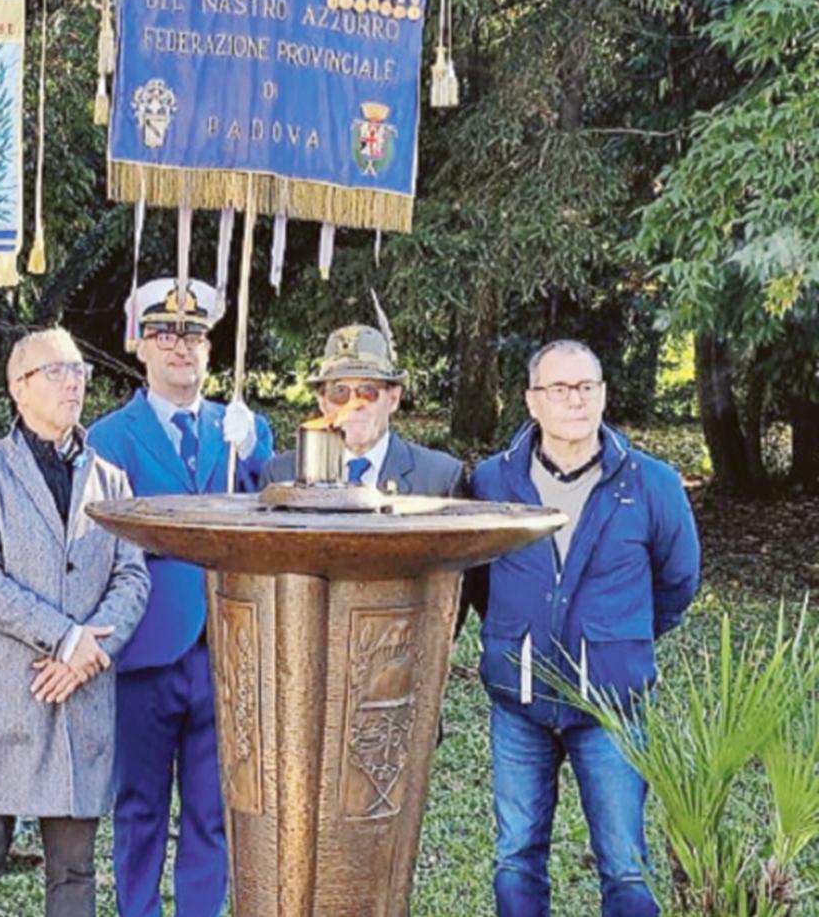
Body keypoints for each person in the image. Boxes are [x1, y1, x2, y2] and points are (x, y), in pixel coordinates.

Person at [473, 340, 700, 917]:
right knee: (515, 857)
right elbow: (477, 580)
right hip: (519, 706)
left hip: (612, 709)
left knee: (625, 864)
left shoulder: (650, 483)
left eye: (586, 387)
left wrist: (615, 643)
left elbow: (677, 583)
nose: (574, 400)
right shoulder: (493, 484)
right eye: (559, 388)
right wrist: (514, 639)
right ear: (532, 401)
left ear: (602, 393)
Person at [0, 327, 150, 917]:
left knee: (75, 869)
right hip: (10, 692)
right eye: (55, 371)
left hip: (82, 695)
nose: (73, 382)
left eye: (79, 370)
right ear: (18, 387)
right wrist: (65, 637)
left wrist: (89, 651)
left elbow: (132, 577)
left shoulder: (111, 482)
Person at [86, 278, 273, 917]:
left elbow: (274, 510)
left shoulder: (240, 430)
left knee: (212, 810)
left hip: (224, 645)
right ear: (139, 346)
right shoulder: (110, 437)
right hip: (144, 642)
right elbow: (101, 543)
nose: (180, 348)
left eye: (193, 335)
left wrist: (257, 453)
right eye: (164, 335)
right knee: (138, 807)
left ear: (210, 349)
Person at [263, 323, 465, 497]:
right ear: (323, 403)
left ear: (393, 399)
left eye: (368, 391)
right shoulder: (281, 476)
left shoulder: (440, 479)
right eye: (340, 392)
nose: (354, 403)